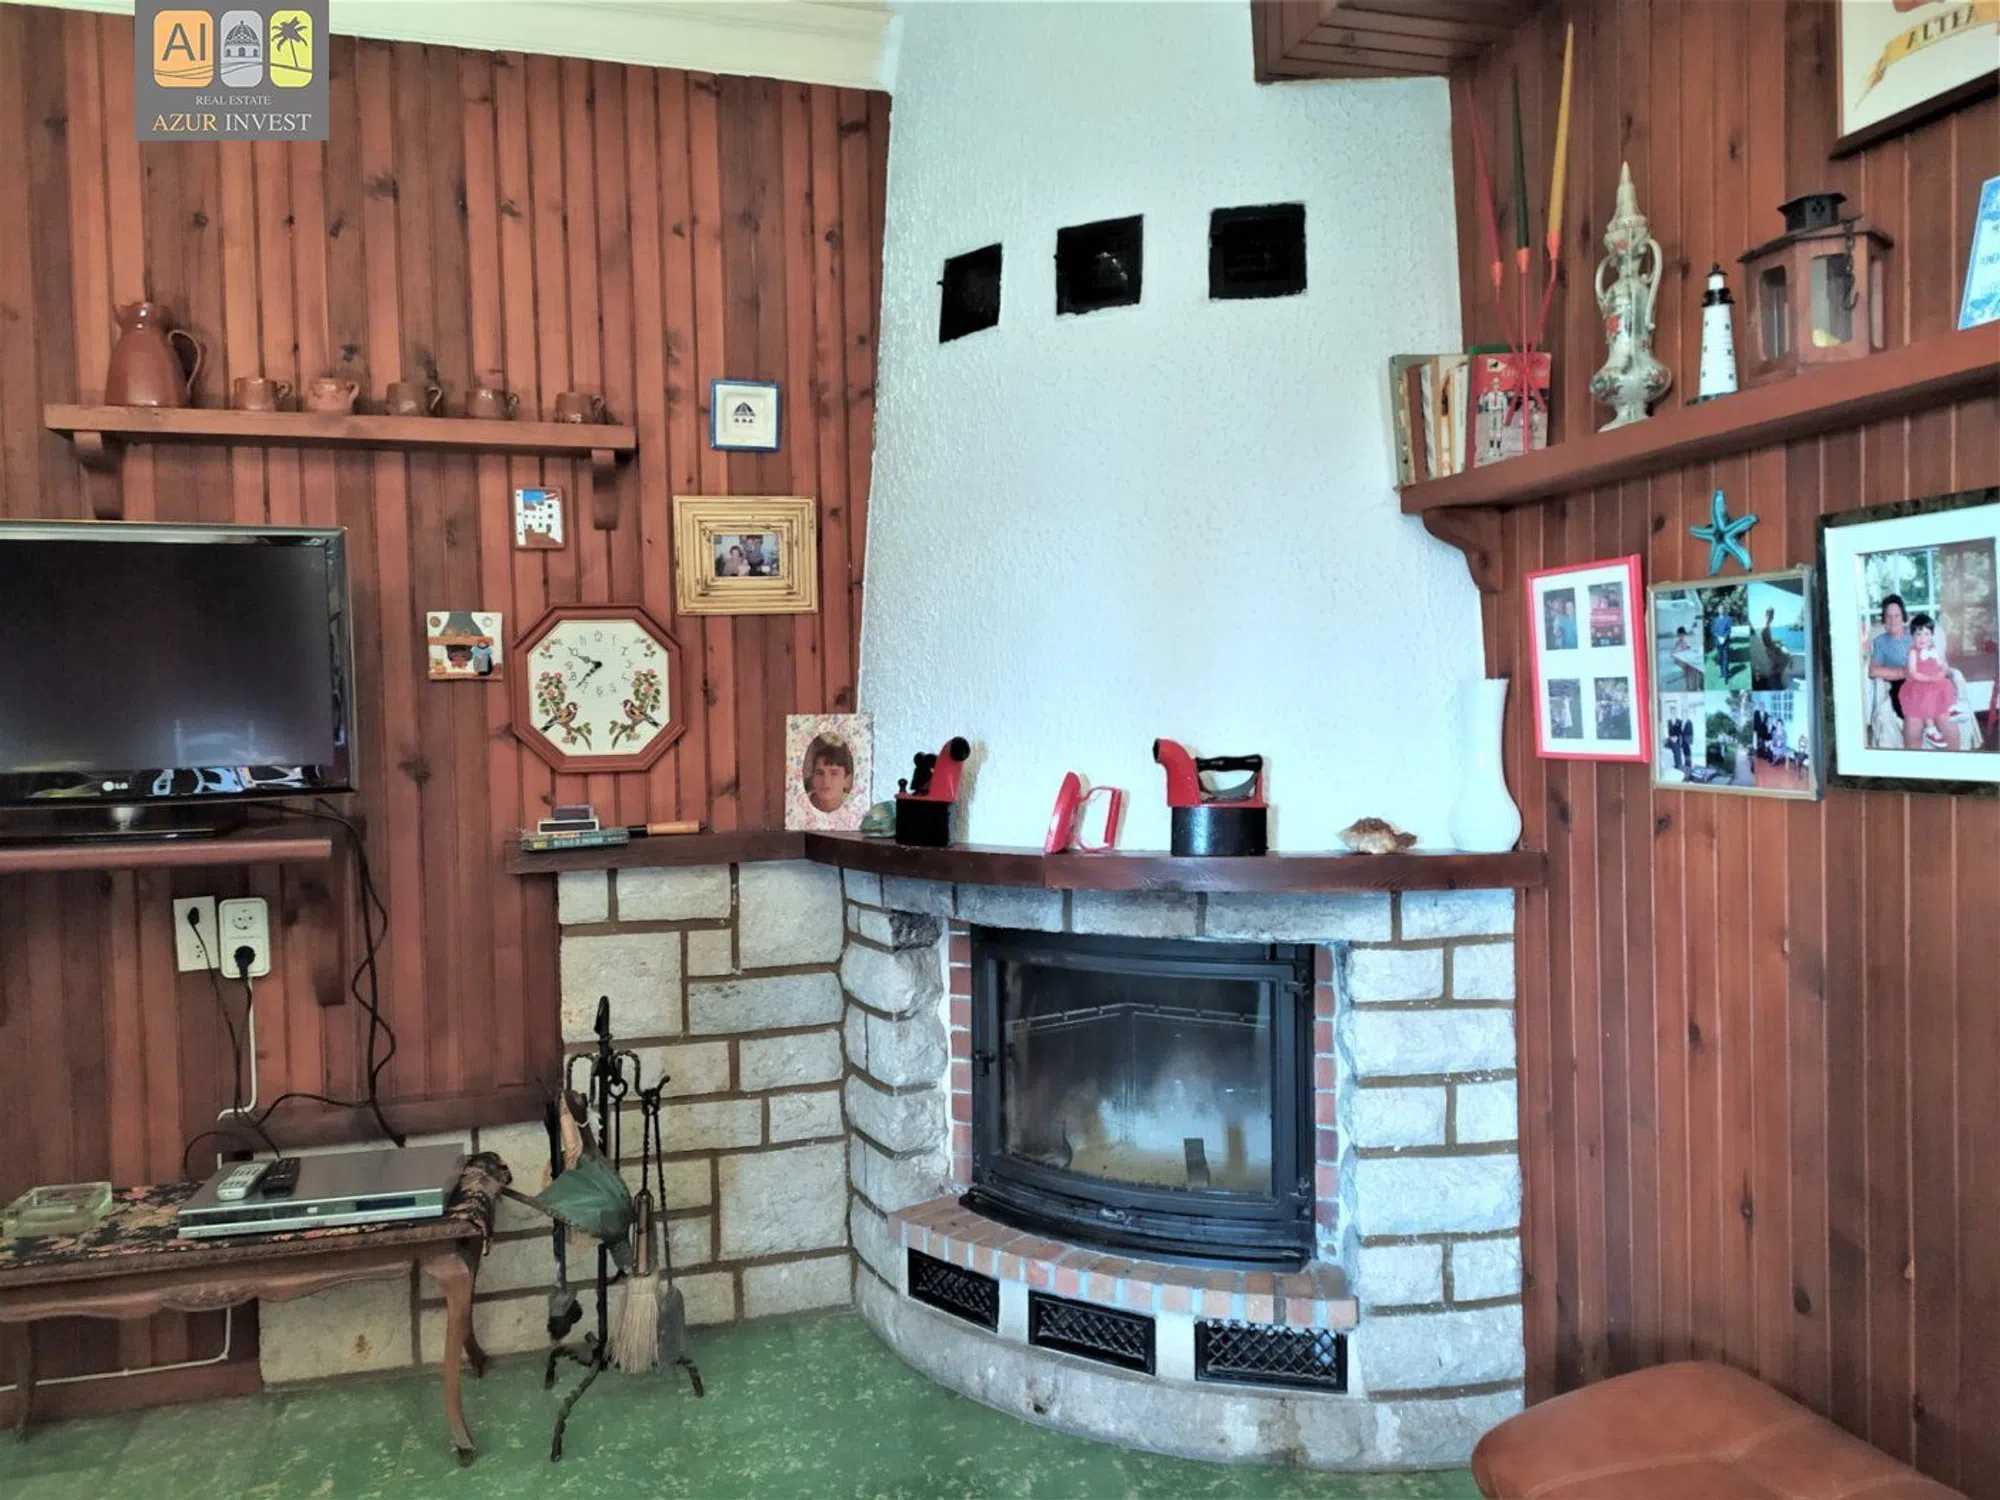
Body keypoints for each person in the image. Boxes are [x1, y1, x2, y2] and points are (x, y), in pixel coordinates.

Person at [1898, 612, 1958, 749]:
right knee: (1924, 702)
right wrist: (1929, 678)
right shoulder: (1913, 652)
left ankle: (1951, 707)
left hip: (1935, 684)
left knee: (1946, 686)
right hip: (1919, 685)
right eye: (1918, 634)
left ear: (1932, 635)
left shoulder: (1934, 650)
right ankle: (1931, 729)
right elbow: (1913, 672)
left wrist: (1942, 671)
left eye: (1926, 634)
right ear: (1912, 636)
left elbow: (1943, 665)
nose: (1922, 638)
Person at [1868, 594, 1912, 726]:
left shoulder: (1914, 636)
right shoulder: (1880, 641)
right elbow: (1873, 671)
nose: (1893, 620)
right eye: (1889, 616)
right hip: (1899, 685)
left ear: (1903, 617)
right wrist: (1903, 673)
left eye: (1897, 615)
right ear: (1884, 619)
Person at [803, 734, 855, 813]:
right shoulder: (799, 803)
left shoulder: (855, 806)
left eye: (834, 773)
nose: (825, 780)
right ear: (812, 778)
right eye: (819, 773)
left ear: (847, 780)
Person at [1710, 606, 1733, 684]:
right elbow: (1713, 630)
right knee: (1720, 657)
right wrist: (1718, 637)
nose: (1721, 610)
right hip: (1718, 641)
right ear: (1718, 610)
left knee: (1726, 657)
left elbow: (1729, 630)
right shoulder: (1715, 620)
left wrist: (1724, 637)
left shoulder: (1728, 619)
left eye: (1722, 609)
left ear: (1724, 610)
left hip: (1725, 641)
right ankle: (1722, 673)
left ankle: (1726, 674)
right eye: (1720, 609)